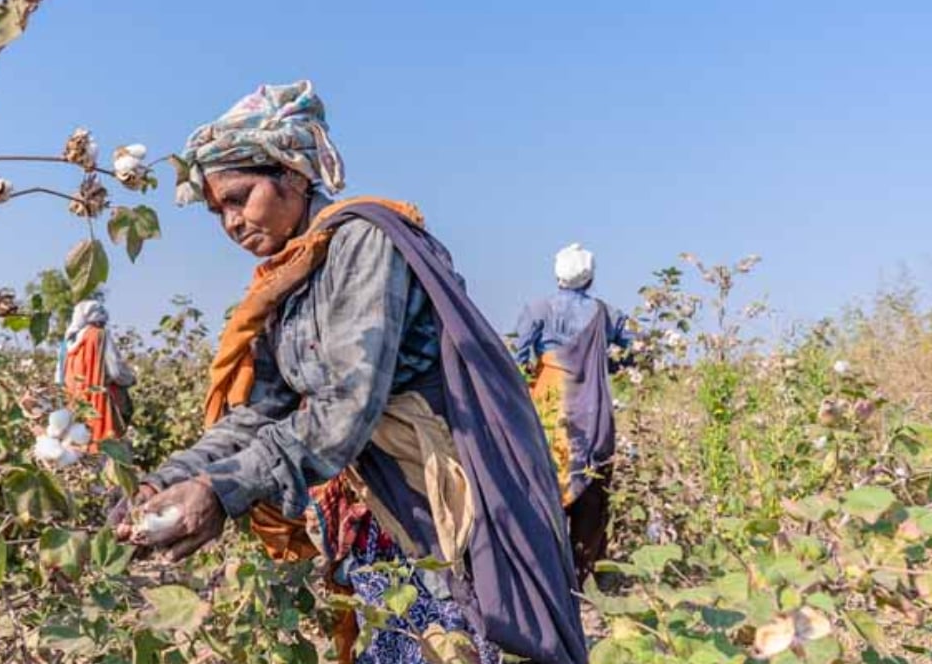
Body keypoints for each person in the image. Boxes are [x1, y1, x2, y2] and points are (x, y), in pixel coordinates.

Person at [111, 81, 587, 664]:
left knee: (457, 639)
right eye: (218, 212)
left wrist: (222, 489)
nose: (231, 223)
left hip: (439, 502)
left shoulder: (363, 243)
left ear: (291, 174)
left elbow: (346, 405)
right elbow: (260, 411)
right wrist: (171, 477)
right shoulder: (287, 283)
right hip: (375, 508)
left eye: (239, 198)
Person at [510, 243, 633, 584]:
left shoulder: (537, 309)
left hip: (549, 403)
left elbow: (518, 362)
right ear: (590, 276)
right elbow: (634, 349)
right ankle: (581, 576)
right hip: (592, 407)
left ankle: (542, 571)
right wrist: (602, 363)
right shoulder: (606, 313)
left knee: (543, 480)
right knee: (592, 488)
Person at [56, 300, 136, 451]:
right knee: (107, 447)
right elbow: (116, 371)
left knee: (75, 446)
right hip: (98, 404)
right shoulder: (99, 335)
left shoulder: (65, 343)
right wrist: (130, 379)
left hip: (72, 404)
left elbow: (58, 378)